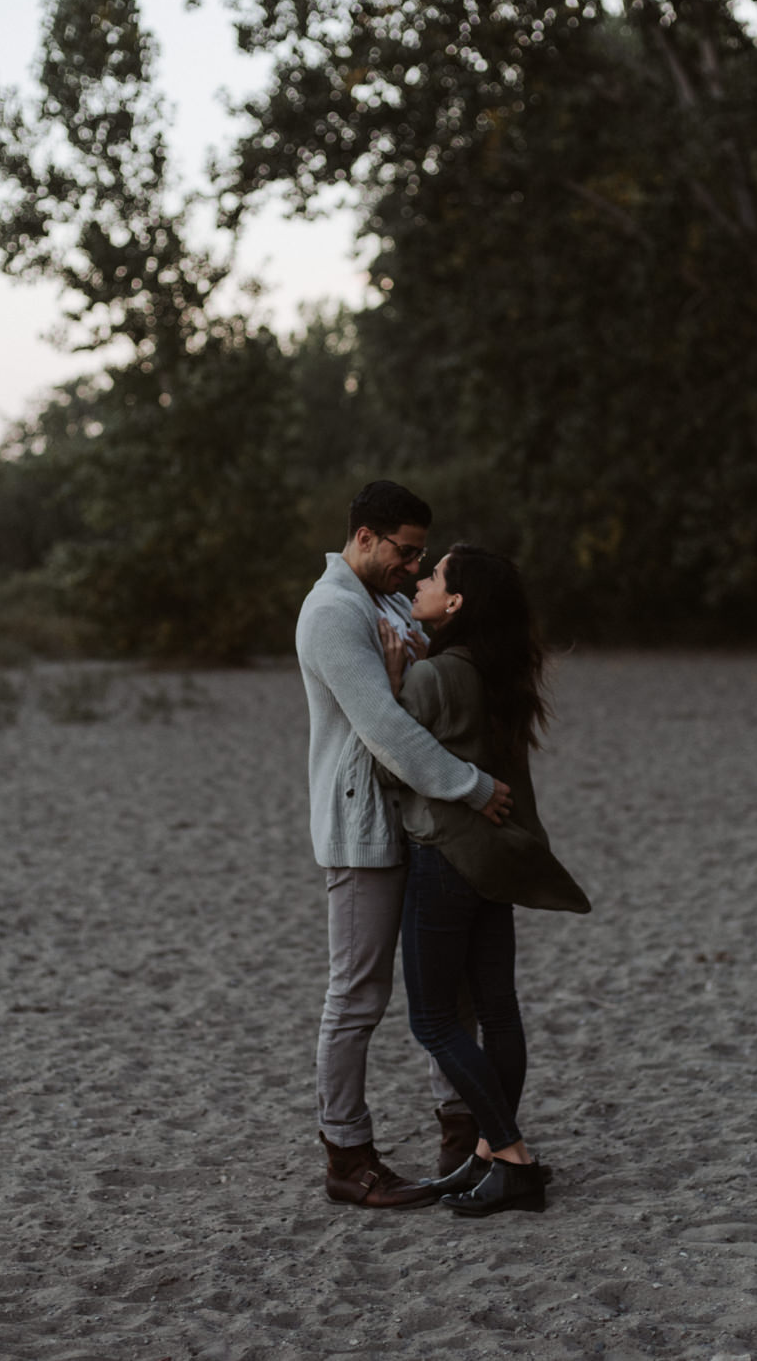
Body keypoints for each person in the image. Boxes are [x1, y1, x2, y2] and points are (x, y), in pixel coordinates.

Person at [295, 482, 515, 1209]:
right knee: (358, 995)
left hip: (417, 824)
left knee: (449, 991)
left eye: (423, 553)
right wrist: (475, 786)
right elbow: (385, 730)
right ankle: (348, 1154)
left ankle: (459, 1137)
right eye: (405, 549)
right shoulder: (333, 613)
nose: (413, 565)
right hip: (363, 830)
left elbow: (425, 681)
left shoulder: (384, 600)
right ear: (364, 536)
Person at [377, 545, 591, 1217]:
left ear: (458, 602)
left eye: (434, 575)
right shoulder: (503, 676)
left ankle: (513, 1153)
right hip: (495, 863)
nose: (421, 580)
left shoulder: (434, 677)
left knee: (433, 1019)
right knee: (497, 1007)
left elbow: (391, 768)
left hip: (444, 858)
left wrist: (388, 689)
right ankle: (489, 1156)